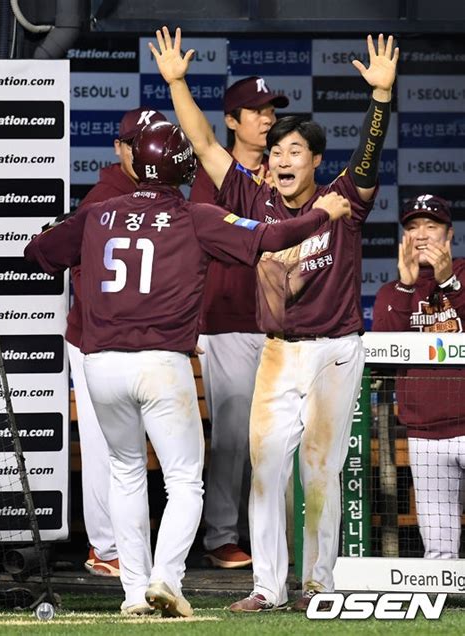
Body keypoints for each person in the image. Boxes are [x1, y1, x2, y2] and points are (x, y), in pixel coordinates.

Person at [25, 119, 352, 616]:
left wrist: (55, 231)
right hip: (161, 363)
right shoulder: (194, 215)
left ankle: (134, 593)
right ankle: (166, 578)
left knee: (125, 471)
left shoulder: (97, 215)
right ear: (180, 167)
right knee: (182, 481)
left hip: (101, 366)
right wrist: (322, 213)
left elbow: (39, 254)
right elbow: (268, 237)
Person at [149, 26, 398, 611]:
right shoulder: (254, 198)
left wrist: (380, 100)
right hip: (280, 348)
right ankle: (267, 586)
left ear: (315, 162)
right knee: (266, 468)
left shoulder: (342, 200)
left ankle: (320, 582)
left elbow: (369, 155)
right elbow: (206, 144)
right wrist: (178, 84)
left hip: (336, 349)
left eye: (296, 153)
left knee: (319, 469)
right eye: (278, 151)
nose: (284, 160)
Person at [191, 77, 288, 569]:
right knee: (231, 437)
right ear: (231, 121)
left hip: (276, 321)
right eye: (255, 111)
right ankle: (221, 537)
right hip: (227, 319)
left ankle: (266, 534)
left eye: (271, 110)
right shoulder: (214, 175)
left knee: (274, 436)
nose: (267, 118)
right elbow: (210, 236)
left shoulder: (285, 169)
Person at [65, 107, 166, 576]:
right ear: (121, 148)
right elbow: (87, 282)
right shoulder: (104, 197)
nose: (145, 150)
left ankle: (124, 547)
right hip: (97, 339)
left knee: (129, 447)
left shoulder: (163, 193)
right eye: (137, 143)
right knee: (107, 444)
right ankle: (105, 548)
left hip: (136, 343)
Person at [373, 194, 465, 559]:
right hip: (425, 432)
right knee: (440, 550)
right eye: (412, 228)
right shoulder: (392, 293)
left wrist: (448, 285)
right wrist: (407, 287)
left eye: (431, 226)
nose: (422, 235)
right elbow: (381, 354)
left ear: (450, 234)